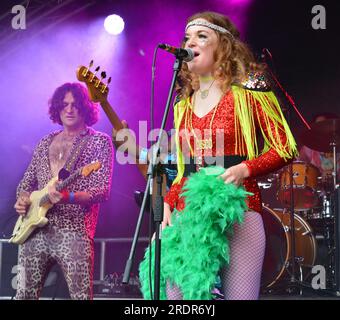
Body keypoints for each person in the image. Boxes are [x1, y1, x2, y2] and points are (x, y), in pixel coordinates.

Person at [138, 11, 298, 300]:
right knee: (177, 296)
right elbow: (185, 170)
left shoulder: (250, 92)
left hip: (239, 207)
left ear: (223, 45)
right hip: (191, 210)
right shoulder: (182, 105)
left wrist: (245, 169)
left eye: (202, 36)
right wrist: (169, 203)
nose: (191, 42)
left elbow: (285, 146)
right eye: (187, 37)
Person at [13, 83, 113, 299]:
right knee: (23, 296)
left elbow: (102, 190)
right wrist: (22, 199)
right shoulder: (44, 142)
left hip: (74, 232)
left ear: (85, 108)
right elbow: (26, 183)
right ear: (57, 108)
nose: (69, 109)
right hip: (34, 231)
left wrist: (68, 197)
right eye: (64, 104)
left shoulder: (99, 141)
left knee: (81, 297)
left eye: (76, 105)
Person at [298, 112, 340, 188]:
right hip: (316, 191)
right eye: (318, 125)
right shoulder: (308, 148)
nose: (320, 127)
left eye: (323, 124)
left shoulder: (337, 145)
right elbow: (299, 166)